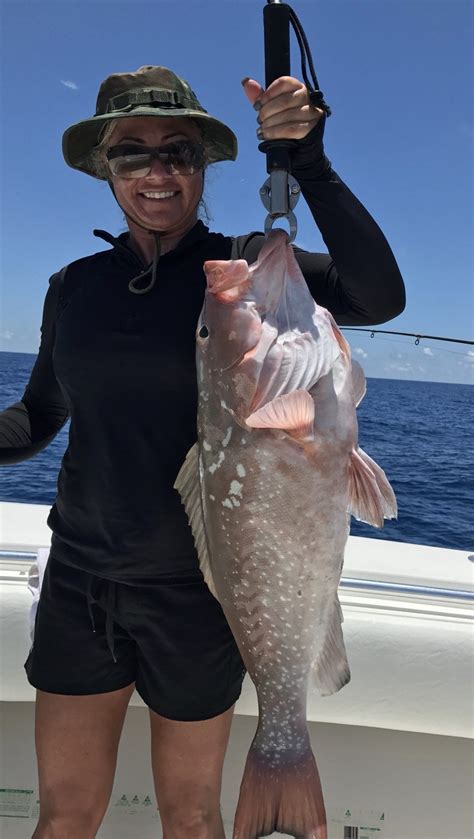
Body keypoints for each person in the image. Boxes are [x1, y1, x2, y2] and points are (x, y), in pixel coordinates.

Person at [0, 65, 405, 839]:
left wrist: (309, 160)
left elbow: (379, 295)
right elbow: (38, 414)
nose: (157, 172)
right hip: (82, 583)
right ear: (105, 170)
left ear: (204, 165)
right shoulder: (73, 287)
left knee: (191, 817)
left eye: (179, 152)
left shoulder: (250, 274)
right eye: (132, 155)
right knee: (65, 813)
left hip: (199, 597)